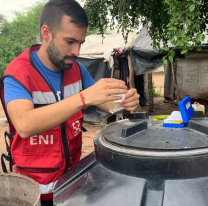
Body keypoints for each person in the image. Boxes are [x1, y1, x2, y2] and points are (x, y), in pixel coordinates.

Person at [0, 0, 139, 204]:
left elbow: (104, 103)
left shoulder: (77, 69)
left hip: (72, 184)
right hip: (33, 193)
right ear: (46, 33)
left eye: (80, 43)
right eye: (70, 41)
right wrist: (83, 98)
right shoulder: (18, 73)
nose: (76, 51)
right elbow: (24, 125)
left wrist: (123, 103)